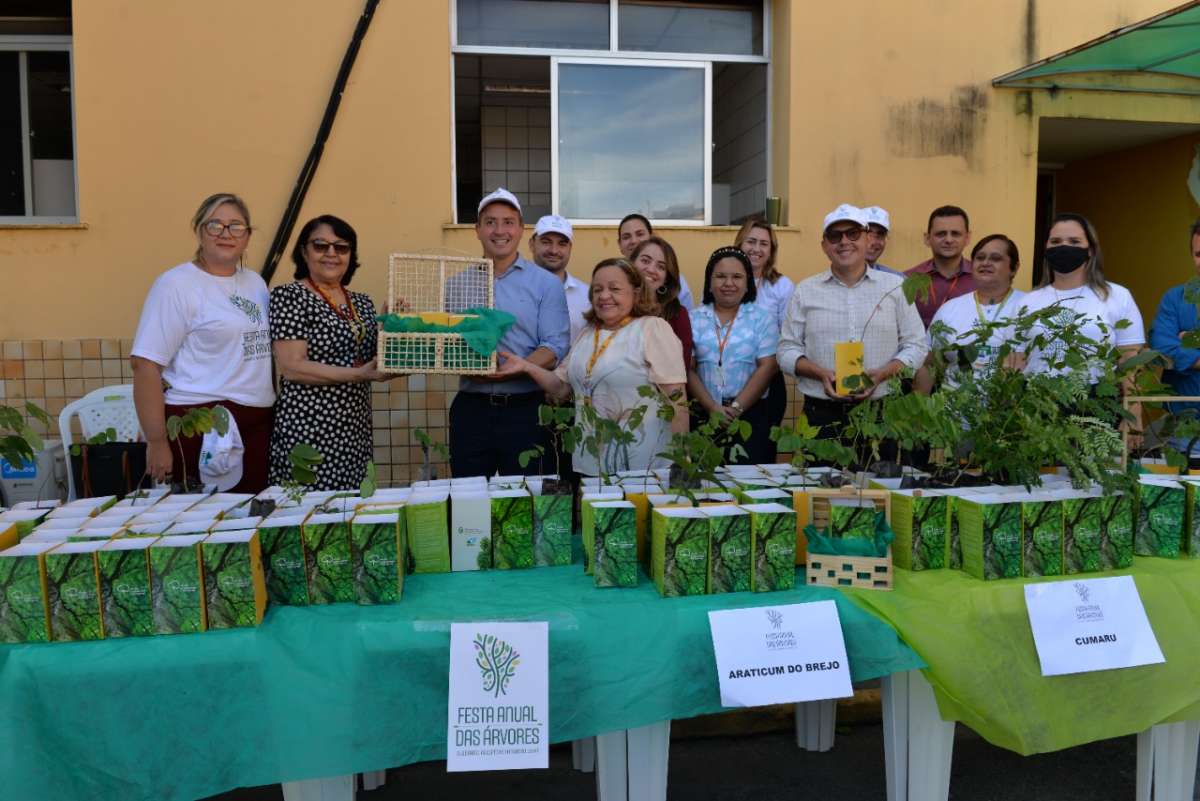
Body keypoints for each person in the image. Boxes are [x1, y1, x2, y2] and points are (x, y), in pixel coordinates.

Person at [131, 192, 274, 491]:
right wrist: (157, 441)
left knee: (249, 515)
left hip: (256, 421)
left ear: (247, 236)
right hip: (198, 424)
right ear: (199, 230)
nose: (226, 233)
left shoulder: (255, 283)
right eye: (215, 225)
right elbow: (145, 364)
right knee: (202, 516)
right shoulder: (176, 285)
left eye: (236, 226)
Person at [493, 258, 687, 476]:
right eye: (597, 289)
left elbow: (677, 401)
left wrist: (681, 463)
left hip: (643, 468)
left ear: (636, 292)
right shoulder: (587, 334)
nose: (604, 296)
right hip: (590, 465)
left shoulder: (652, 328)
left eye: (614, 288)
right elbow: (561, 388)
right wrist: (526, 367)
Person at [777, 204, 927, 455]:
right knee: (819, 480)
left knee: (878, 479)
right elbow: (786, 350)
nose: (844, 241)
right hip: (821, 415)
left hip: (881, 413)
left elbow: (917, 345)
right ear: (824, 246)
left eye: (853, 233)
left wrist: (882, 374)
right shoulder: (805, 290)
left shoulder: (896, 287)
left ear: (868, 239)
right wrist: (820, 373)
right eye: (835, 236)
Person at [448, 188, 570, 478]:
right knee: (470, 494)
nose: (499, 230)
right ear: (477, 230)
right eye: (490, 222)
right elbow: (445, 342)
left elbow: (554, 346)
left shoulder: (546, 284)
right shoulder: (455, 285)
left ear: (521, 229)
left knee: (528, 494)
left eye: (508, 222)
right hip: (471, 409)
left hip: (527, 409)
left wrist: (519, 367)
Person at [268, 215, 386, 491]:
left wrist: (395, 326)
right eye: (321, 245)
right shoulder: (289, 296)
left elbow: (373, 359)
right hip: (309, 429)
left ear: (350, 256)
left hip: (354, 430)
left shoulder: (361, 302)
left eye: (341, 247)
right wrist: (358, 375)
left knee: (351, 508)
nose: (331, 253)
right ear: (304, 251)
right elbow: (292, 367)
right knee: (308, 510)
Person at [1021, 213, 1145, 436]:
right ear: (1046, 248)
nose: (1064, 247)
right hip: (1037, 406)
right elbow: (1015, 361)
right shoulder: (1028, 302)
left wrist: (1133, 412)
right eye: (1056, 241)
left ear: (1090, 250)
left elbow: (1130, 360)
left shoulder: (1117, 296)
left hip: (1097, 405)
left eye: (1074, 241)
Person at [688, 247, 779, 463]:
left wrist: (736, 408)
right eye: (720, 276)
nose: (728, 283)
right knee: (705, 477)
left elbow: (768, 366)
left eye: (737, 277)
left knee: (749, 477)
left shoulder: (763, 319)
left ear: (748, 283)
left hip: (750, 415)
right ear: (709, 282)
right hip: (704, 414)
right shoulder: (693, 319)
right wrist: (712, 408)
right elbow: (687, 368)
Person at [915, 234, 1026, 393]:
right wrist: (919, 405)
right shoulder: (950, 309)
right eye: (980, 258)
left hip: (1012, 407)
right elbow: (929, 365)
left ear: (1014, 268)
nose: (986, 263)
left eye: (996, 258)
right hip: (954, 406)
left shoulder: (1031, 307)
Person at [734, 217, 793, 441]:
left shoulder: (781, 286)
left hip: (767, 378)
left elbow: (787, 336)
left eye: (763, 244)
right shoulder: (722, 280)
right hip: (726, 378)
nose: (756, 249)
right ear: (739, 244)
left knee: (762, 447)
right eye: (751, 241)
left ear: (771, 250)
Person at [1149, 218, 1200, 450]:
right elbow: (1162, 346)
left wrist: (1189, 341)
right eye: (1199, 254)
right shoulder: (1175, 298)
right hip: (1184, 428)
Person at [630, 236, 694, 369]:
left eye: (661, 267)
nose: (651, 269)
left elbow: (682, 368)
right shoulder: (615, 307)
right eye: (645, 261)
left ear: (666, 278)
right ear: (632, 263)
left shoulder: (678, 315)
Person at [906, 205, 975, 327]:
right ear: (927, 238)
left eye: (956, 234)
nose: (948, 240)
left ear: (967, 238)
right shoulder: (907, 279)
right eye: (941, 234)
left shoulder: (981, 279)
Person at [531, 214, 589, 343]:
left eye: (562, 244)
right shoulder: (514, 289)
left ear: (570, 248)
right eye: (546, 242)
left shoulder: (587, 296)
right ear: (532, 244)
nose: (554, 250)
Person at [618, 212, 694, 309]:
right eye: (626, 237)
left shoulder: (677, 282)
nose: (634, 241)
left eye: (640, 234)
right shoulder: (612, 275)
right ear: (620, 245)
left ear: (651, 237)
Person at [863, 206, 902, 275]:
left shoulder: (896, 278)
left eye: (880, 234)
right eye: (867, 232)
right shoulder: (841, 277)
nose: (873, 242)